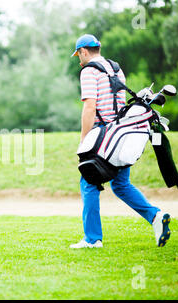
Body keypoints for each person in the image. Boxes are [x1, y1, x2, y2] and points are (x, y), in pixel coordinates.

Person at [69, 34, 171, 249]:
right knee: (121, 184)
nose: (78, 59)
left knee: (89, 181)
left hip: (100, 136)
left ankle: (92, 239)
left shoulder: (88, 71)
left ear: (84, 51)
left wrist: (84, 140)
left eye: (78, 54)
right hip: (120, 134)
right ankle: (155, 217)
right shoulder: (116, 68)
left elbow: (90, 106)